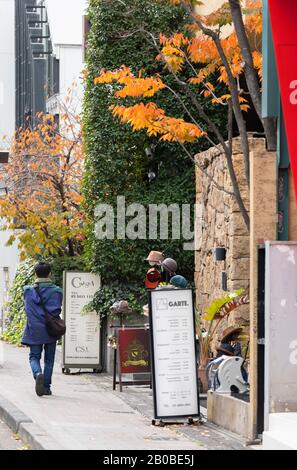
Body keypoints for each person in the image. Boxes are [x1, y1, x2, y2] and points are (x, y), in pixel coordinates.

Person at [22, 262, 63, 397]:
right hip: (51, 329)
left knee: (34, 357)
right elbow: (56, 310)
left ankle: (37, 373)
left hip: (35, 330)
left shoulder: (28, 290)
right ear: (50, 274)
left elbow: (27, 309)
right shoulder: (57, 291)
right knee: (49, 360)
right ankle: (46, 387)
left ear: (35, 274)